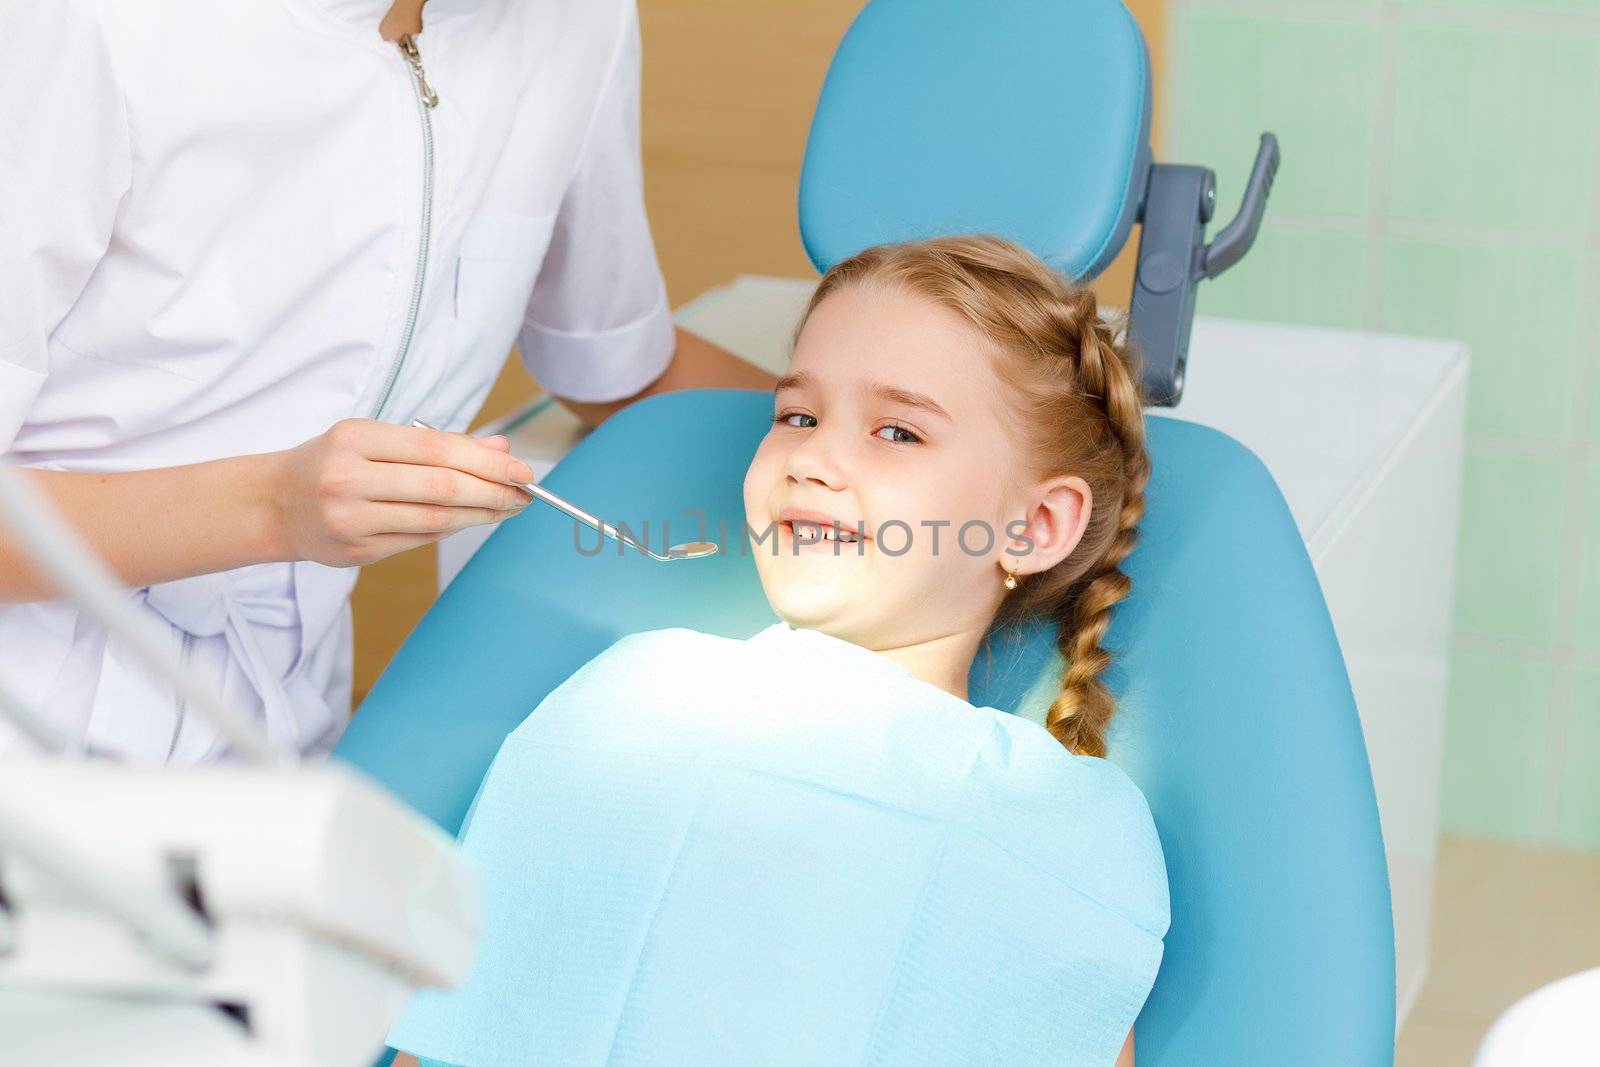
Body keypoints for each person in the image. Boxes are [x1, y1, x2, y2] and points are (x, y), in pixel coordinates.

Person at [388, 236, 1166, 1066]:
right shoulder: (635, 704)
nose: (813, 457)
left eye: (898, 431)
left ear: (1034, 526)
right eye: (797, 415)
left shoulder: (1066, 828)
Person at [0, 0, 774, 761]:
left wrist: (858, 425)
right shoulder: (82, 23)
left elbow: (616, 365)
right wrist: (271, 508)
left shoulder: (576, 21)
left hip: (287, 732)